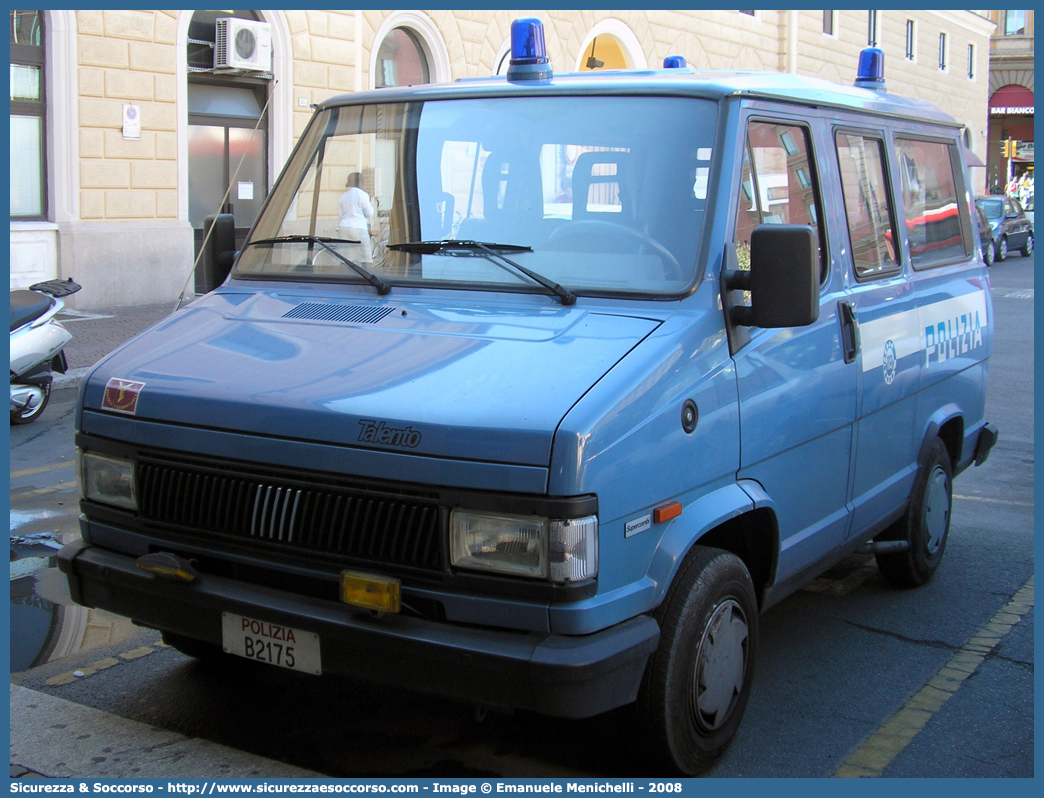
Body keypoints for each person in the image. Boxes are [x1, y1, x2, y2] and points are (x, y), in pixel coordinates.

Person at [338, 172, 375, 264]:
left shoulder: (343, 196)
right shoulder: (362, 195)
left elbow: (341, 214)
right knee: (365, 256)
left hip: (344, 227)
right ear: (361, 182)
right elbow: (369, 213)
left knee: (346, 256)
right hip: (358, 227)